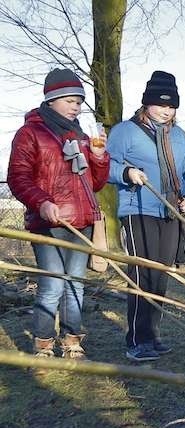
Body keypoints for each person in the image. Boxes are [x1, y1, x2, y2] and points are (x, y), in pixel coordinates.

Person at [7, 68, 110, 360]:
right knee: (52, 284)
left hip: (82, 222)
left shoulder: (82, 136)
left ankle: (72, 341)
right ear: (51, 99)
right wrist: (42, 202)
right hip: (49, 223)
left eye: (79, 100)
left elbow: (97, 183)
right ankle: (43, 344)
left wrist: (100, 159)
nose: (76, 105)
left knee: (75, 284)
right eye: (69, 100)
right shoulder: (31, 133)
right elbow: (18, 177)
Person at [107, 71, 185, 362]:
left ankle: (153, 335)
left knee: (160, 276)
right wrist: (126, 173)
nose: (166, 110)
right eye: (160, 104)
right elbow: (105, 165)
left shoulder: (180, 136)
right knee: (141, 275)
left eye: (171, 106)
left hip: (170, 211)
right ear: (146, 103)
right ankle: (136, 339)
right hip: (138, 210)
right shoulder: (126, 131)